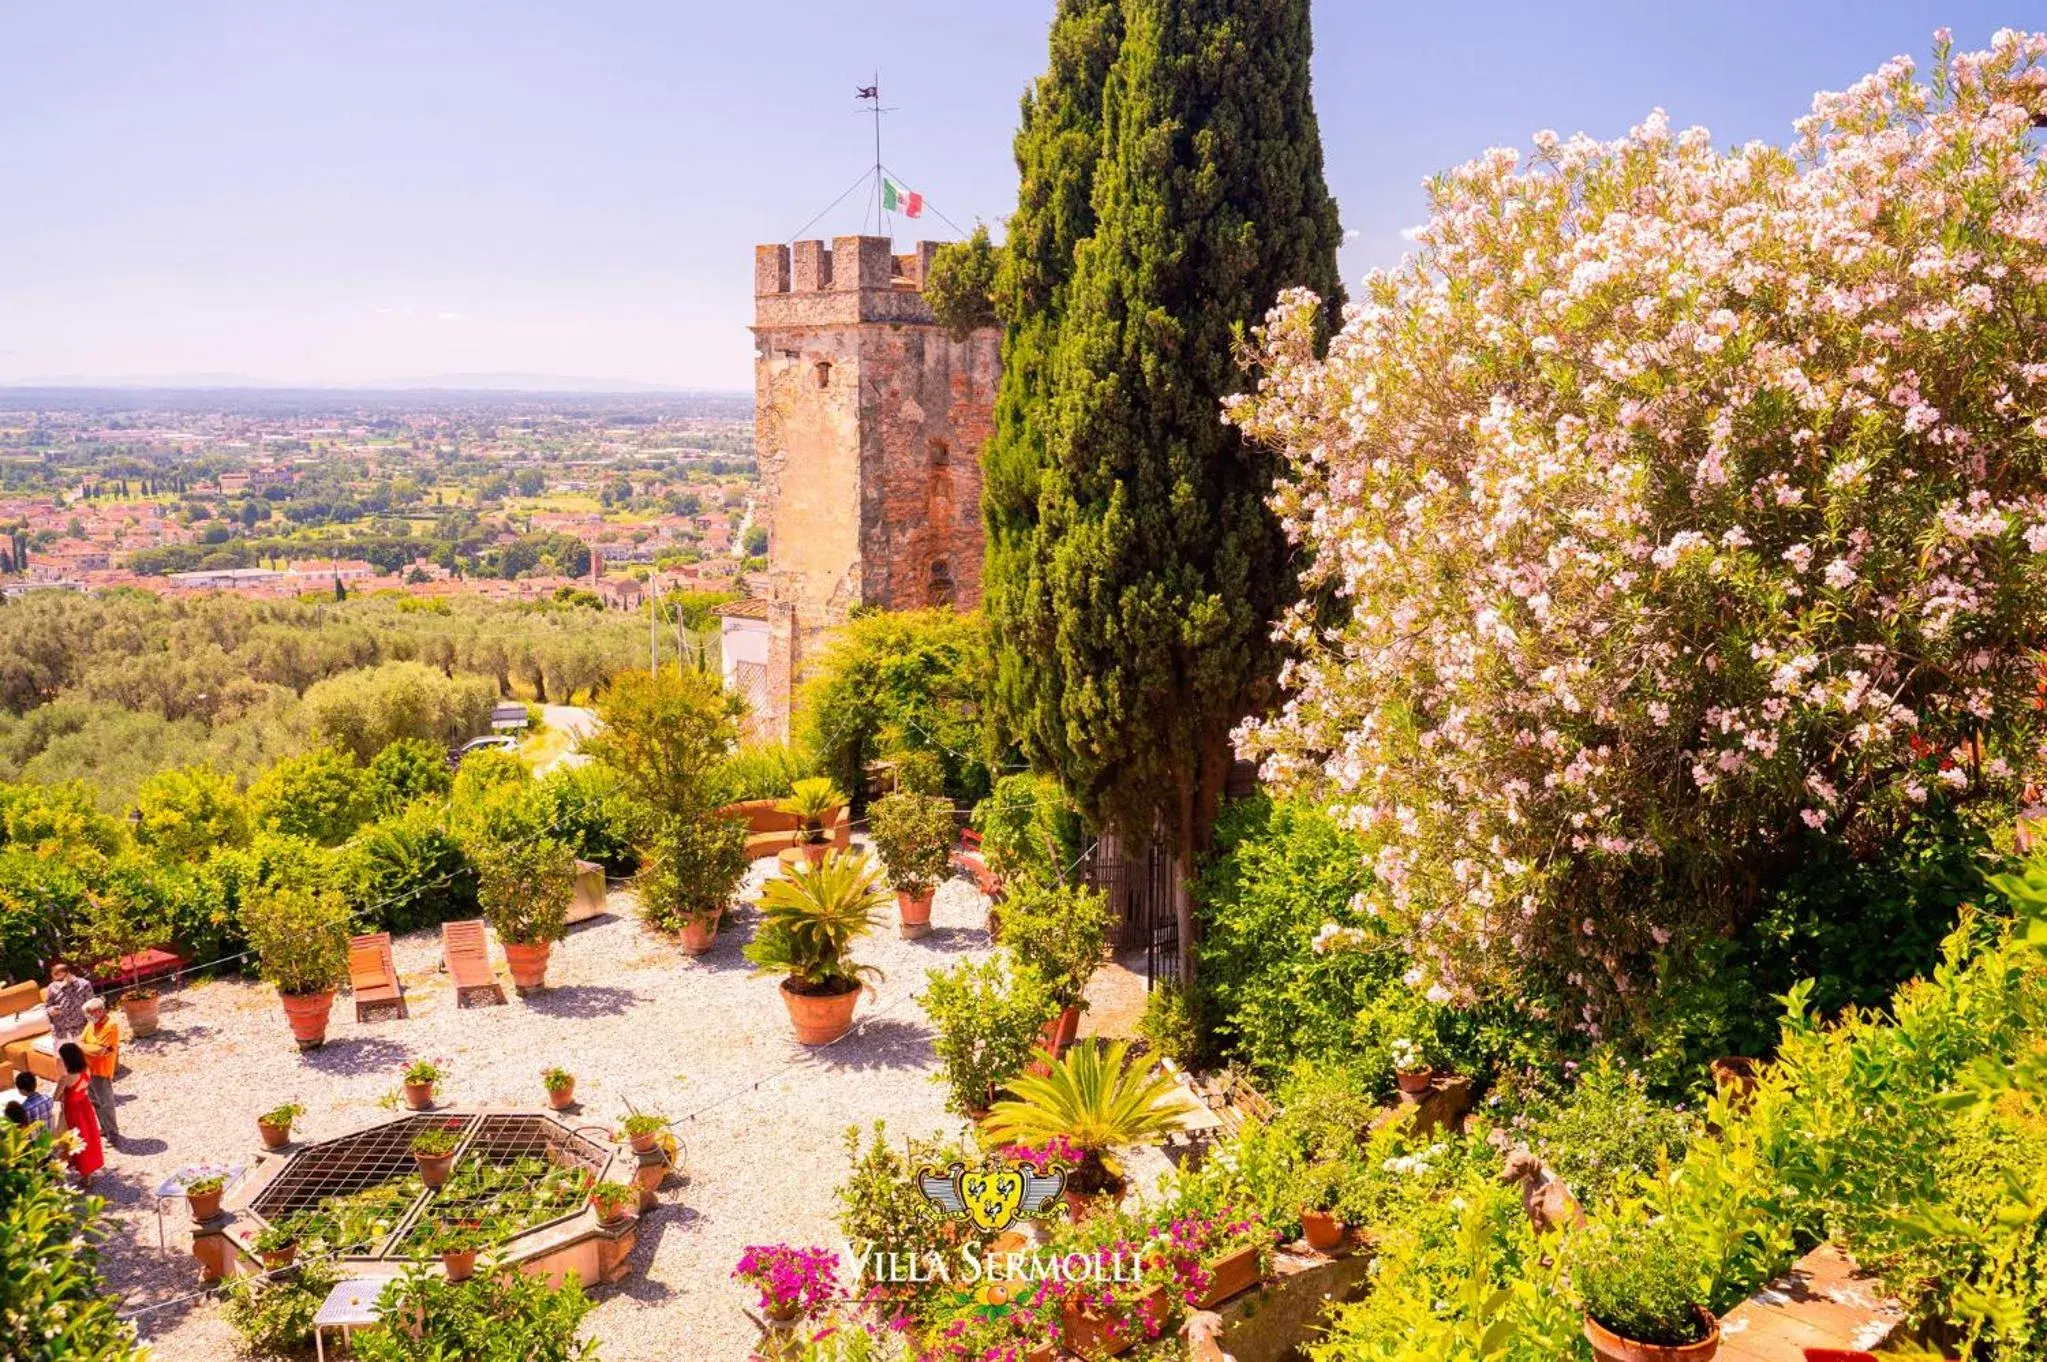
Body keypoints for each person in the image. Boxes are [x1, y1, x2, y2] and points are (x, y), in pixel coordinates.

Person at [55, 1042, 102, 1184]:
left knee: (75, 1139)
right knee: (89, 1136)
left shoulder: (66, 1078)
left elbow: (55, 1097)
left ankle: (79, 1169)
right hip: (85, 1105)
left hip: (73, 1109)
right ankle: (87, 1172)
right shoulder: (86, 1069)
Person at [79, 997, 121, 1143]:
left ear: (99, 1011)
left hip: (101, 1071)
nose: (88, 1016)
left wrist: (83, 1047)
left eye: (90, 1013)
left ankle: (113, 1134)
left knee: (106, 1103)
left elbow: (100, 1051)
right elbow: (81, 1042)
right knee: (95, 1101)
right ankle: (104, 1128)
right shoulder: (91, 1024)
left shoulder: (110, 1026)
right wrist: (87, 1048)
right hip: (88, 1069)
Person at [43, 959, 96, 1045]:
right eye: (55, 980)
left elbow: (92, 1006)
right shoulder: (52, 987)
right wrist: (52, 1010)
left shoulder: (84, 985)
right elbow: (47, 1006)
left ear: (68, 975)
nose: (58, 983)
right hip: (61, 1033)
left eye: (61, 980)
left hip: (81, 1029)